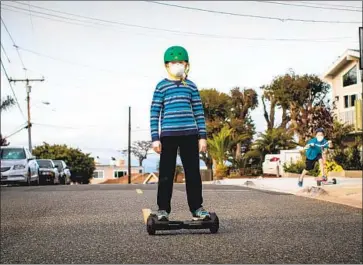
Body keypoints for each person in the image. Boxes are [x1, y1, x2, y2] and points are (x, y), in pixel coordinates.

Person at [150, 45, 210, 221]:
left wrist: (202, 137)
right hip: (168, 136)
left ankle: (197, 209)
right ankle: (163, 210)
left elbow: (199, 112)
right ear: (167, 66)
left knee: (193, 174)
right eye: (174, 63)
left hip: (190, 134)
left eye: (181, 62)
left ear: (187, 65)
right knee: (166, 174)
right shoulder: (161, 87)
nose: (177, 65)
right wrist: (155, 138)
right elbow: (155, 112)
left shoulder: (191, 86)